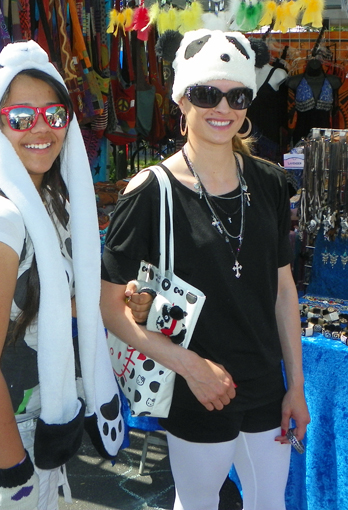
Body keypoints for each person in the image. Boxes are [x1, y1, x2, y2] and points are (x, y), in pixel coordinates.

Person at [101, 29, 310, 510]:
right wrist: (191, 368)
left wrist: (295, 386)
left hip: (263, 384)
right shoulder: (151, 191)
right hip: (194, 388)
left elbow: (283, 292)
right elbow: (109, 308)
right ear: (181, 99)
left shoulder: (272, 184)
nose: (223, 107)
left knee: (269, 503)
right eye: (206, 93)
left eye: (237, 95)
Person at [0, 40, 125, 510]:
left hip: (32, 422)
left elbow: (42, 299)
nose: (42, 129)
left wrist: (112, 299)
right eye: (20, 118)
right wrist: (13, 473)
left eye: (55, 116)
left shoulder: (45, 200)